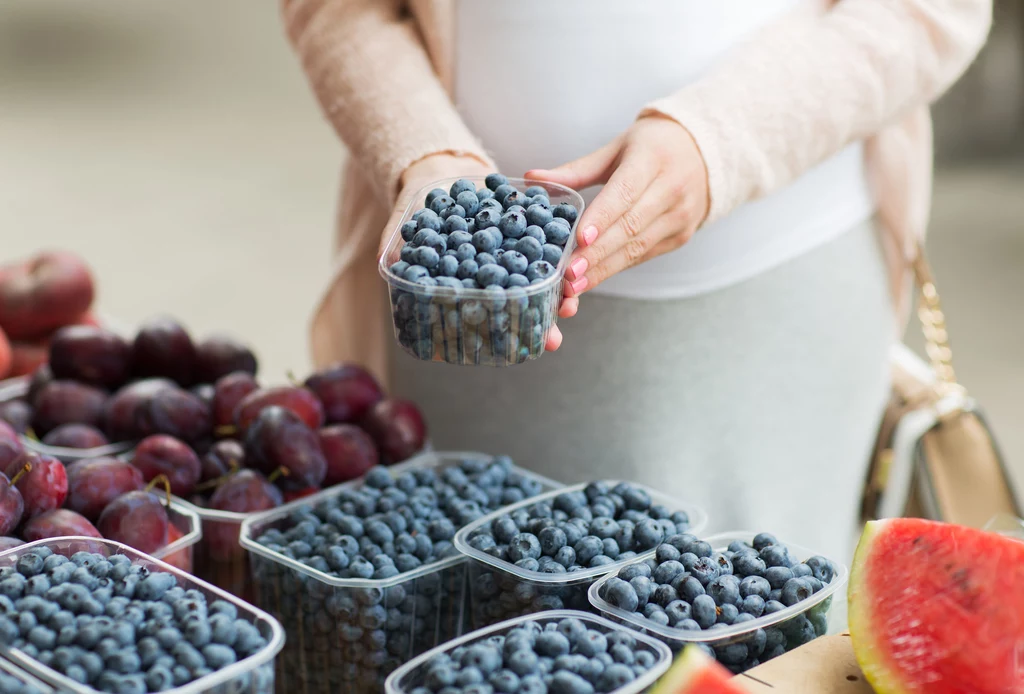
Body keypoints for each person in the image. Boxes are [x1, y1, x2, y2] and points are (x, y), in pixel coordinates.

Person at [284, 0, 991, 561]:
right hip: (468, 325)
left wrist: (720, 140)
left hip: (772, 312)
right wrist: (426, 156)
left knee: (759, 630)